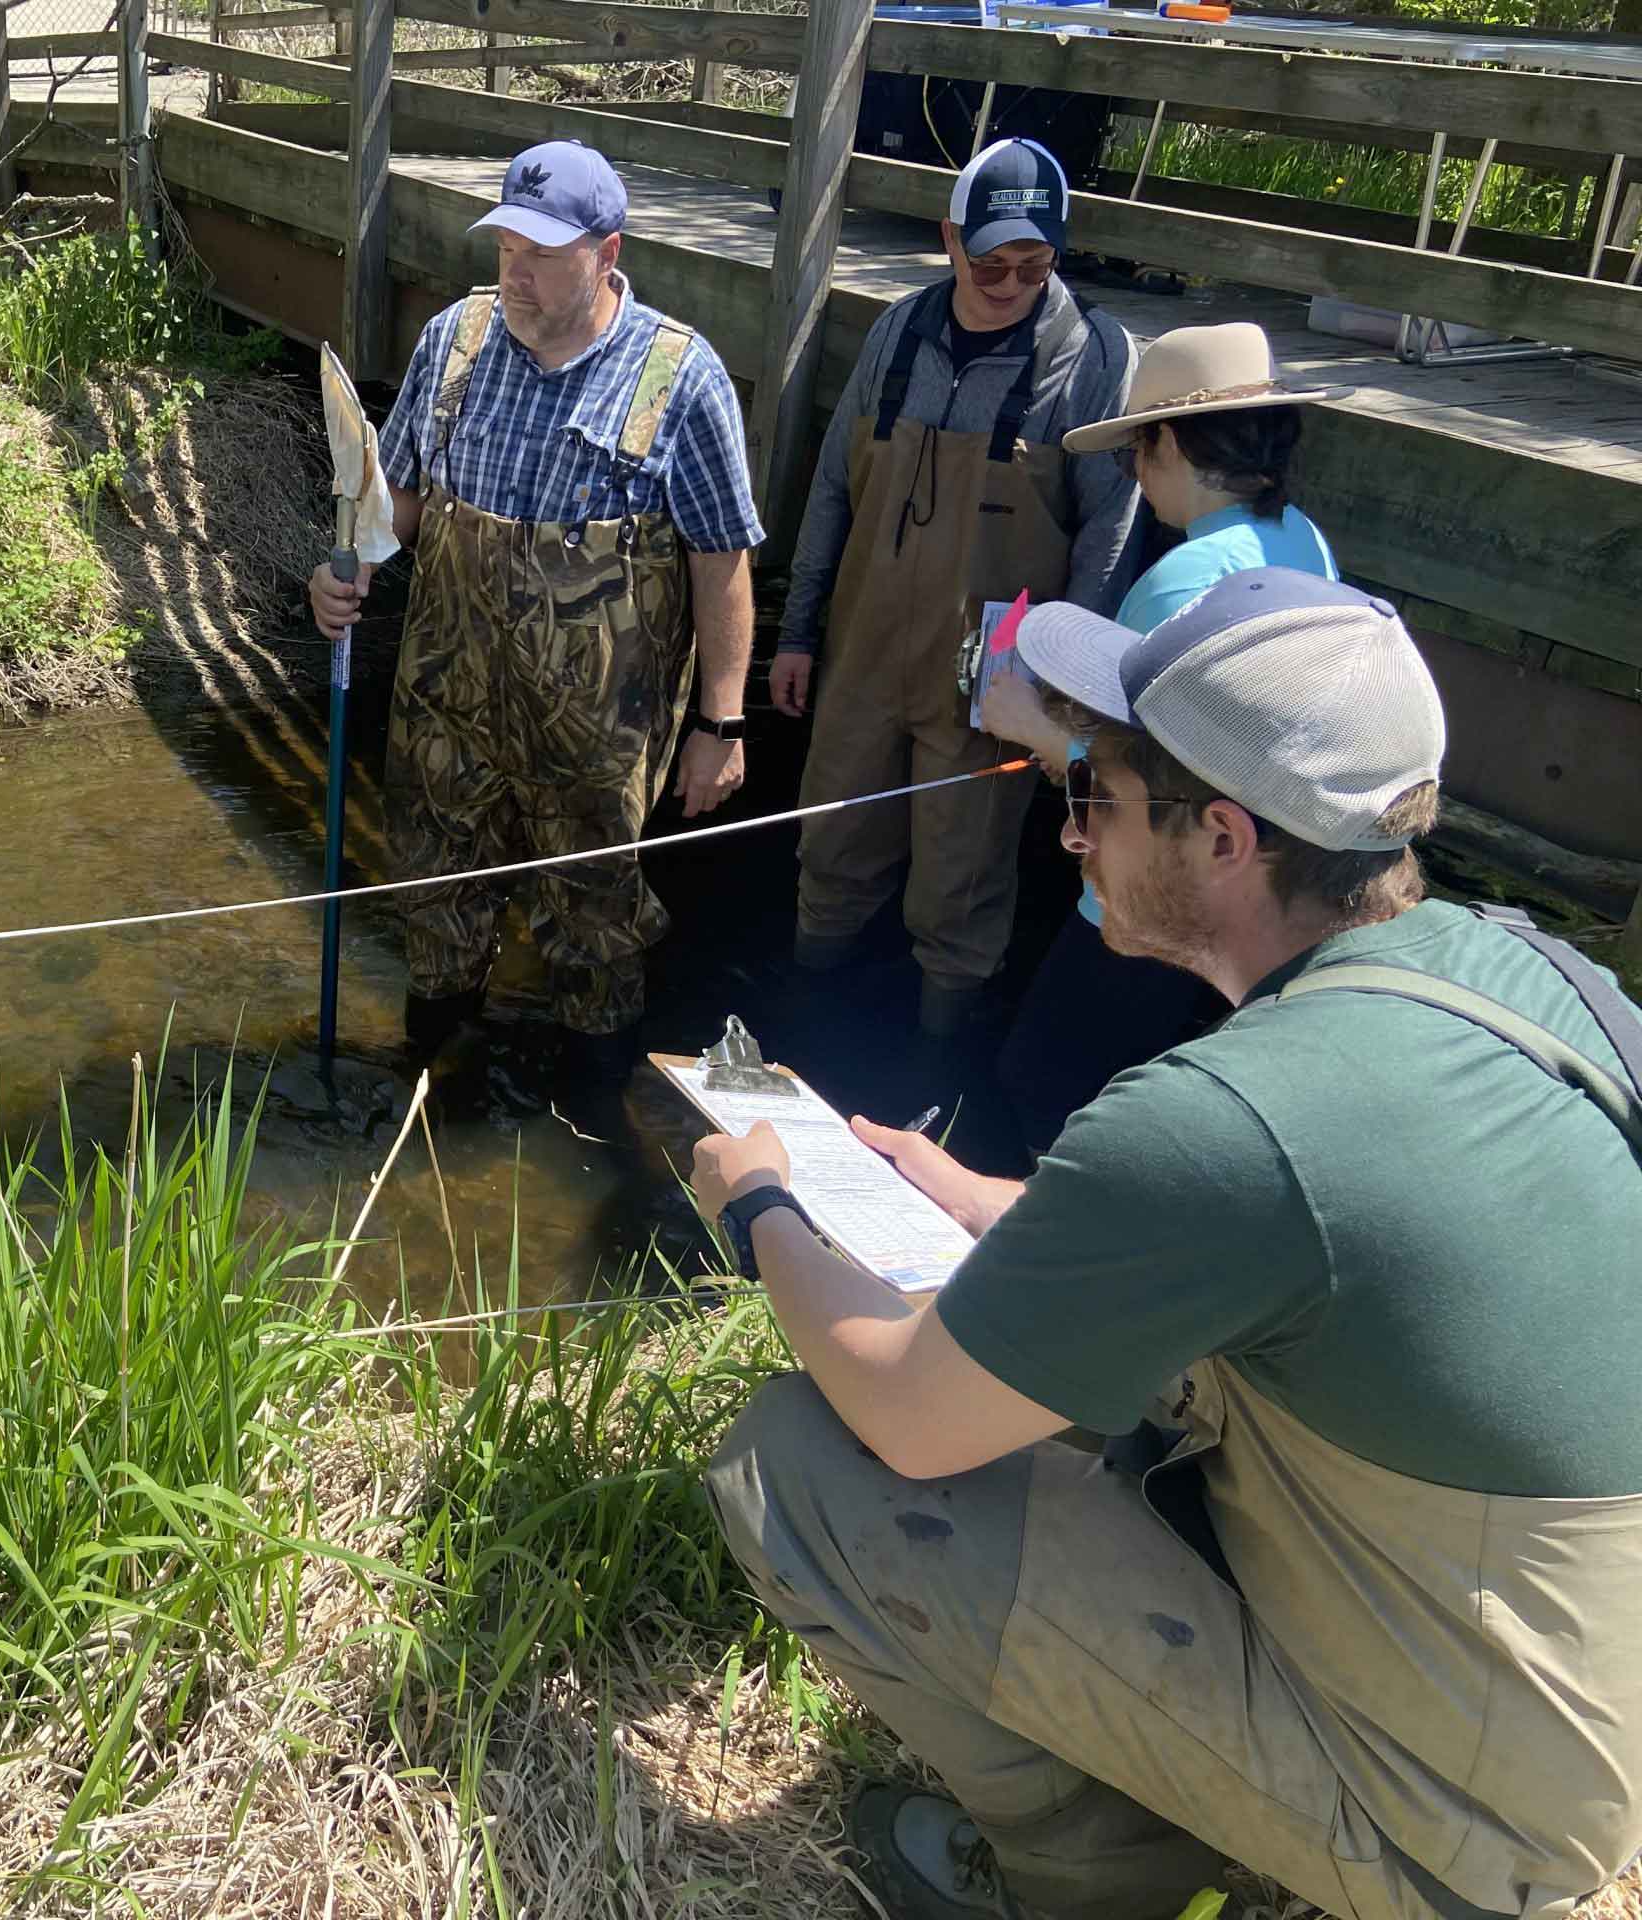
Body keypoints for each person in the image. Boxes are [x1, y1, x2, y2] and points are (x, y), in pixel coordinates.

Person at [695, 570, 1642, 1920]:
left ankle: (1096, 1878)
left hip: (1466, 1832)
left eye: (1095, 799)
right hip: (1577, 1714)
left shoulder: (1229, 1121)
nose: (1070, 839)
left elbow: (906, 1413)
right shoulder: (1533, 974)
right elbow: (1329, 1242)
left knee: (798, 1470)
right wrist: (980, 1196)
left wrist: (759, 1203)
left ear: (1224, 839)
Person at [307, 140, 765, 1110]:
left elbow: (721, 562)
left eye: (543, 254)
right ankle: (435, 1082)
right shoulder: (455, 341)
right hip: (449, 710)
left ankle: (588, 1118)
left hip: (594, 740)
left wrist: (720, 725)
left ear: (607, 253)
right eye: (507, 246)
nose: (516, 271)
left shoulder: (679, 379)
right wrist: (342, 569)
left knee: (594, 926)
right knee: (434, 901)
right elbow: (400, 504)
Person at [776, 138, 1140, 1035]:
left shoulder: (1091, 356)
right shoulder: (898, 330)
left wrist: (1065, 691)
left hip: (993, 688)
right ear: (950, 239)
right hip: (862, 657)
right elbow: (830, 487)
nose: (1011, 283)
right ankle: (802, 1025)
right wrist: (797, 631)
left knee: (959, 890)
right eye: (991, 263)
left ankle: (941, 1064)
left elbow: (1111, 531)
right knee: (830, 855)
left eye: (1035, 264)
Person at [983, 321, 1348, 1156]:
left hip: (1153, 888)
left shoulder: (1180, 579)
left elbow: (1122, 772)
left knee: (1037, 1076)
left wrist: (1026, 723)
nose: (1135, 479)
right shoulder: (1304, 541)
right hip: (1252, 885)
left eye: (1132, 454)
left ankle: (1034, 1250)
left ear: (1171, 444)